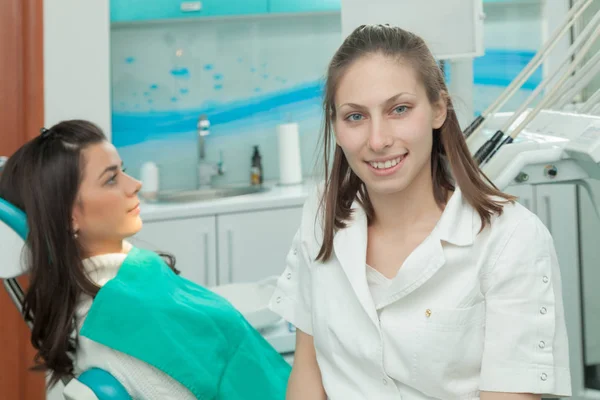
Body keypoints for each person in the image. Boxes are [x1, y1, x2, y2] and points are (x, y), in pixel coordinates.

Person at [269, 24, 571, 400]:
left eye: (399, 109)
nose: (378, 140)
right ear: (335, 124)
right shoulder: (322, 214)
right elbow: (307, 373)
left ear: (439, 110)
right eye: (355, 116)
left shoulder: (511, 240)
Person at [0, 120, 290, 399]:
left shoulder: (130, 274)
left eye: (122, 171)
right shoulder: (119, 325)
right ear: (68, 216)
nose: (135, 184)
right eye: (111, 179)